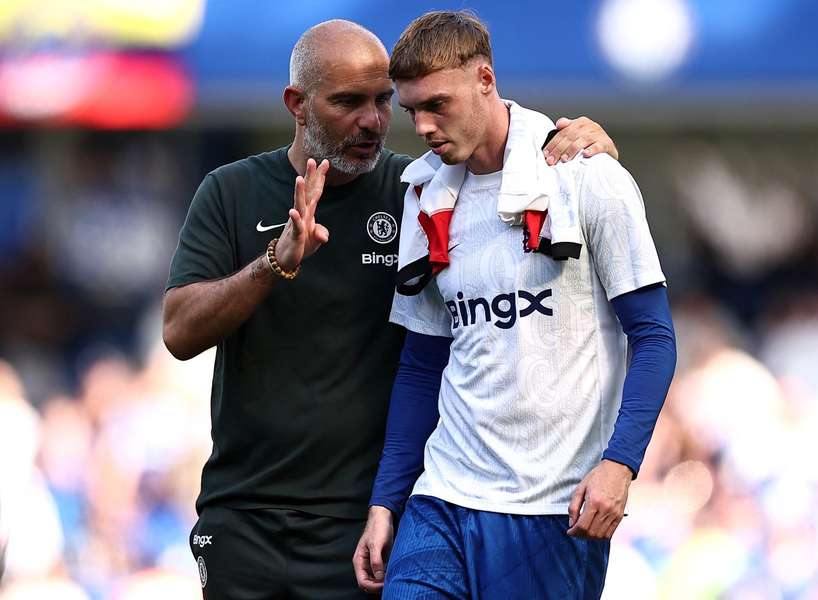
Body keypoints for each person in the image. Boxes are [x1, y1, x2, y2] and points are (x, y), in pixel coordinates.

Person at [162, 17, 619, 600]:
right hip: (245, 513)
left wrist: (586, 150)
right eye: (349, 102)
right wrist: (272, 265)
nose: (373, 121)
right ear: (296, 104)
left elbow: (523, 181)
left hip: (366, 519)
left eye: (383, 102)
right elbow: (179, 332)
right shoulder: (230, 191)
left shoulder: (422, 192)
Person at [352, 11, 677, 599]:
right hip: (443, 496)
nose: (422, 126)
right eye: (411, 110)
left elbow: (653, 336)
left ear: (485, 79)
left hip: (552, 506)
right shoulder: (423, 196)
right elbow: (422, 364)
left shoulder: (587, 177)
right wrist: (385, 501)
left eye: (437, 105)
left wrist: (620, 465)